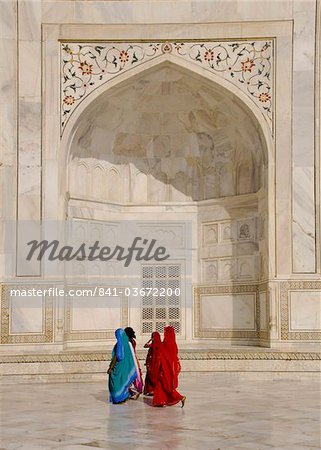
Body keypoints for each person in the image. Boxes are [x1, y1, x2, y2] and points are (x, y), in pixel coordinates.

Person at [153, 326, 186, 407]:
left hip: (164, 369)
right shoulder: (174, 345)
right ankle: (161, 401)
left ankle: (180, 397)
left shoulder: (164, 344)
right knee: (164, 384)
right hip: (171, 369)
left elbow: (160, 355)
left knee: (165, 385)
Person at [107, 328, 138, 404]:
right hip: (125, 367)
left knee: (115, 383)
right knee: (122, 381)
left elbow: (118, 356)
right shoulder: (127, 344)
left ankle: (118, 398)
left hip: (118, 367)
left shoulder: (119, 344)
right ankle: (123, 397)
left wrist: (111, 368)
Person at [124, 326, 143, 397]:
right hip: (134, 359)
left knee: (129, 375)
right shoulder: (133, 341)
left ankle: (133, 391)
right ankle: (134, 390)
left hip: (129, 360)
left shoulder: (127, 342)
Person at [143, 331, 162, 396]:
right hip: (152, 364)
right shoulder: (154, 344)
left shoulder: (157, 344)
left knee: (154, 376)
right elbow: (145, 346)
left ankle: (153, 390)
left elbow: (145, 345)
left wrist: (150, 340)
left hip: (155, 364)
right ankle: (151, 390)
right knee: (151, 376)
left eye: (153, 337)